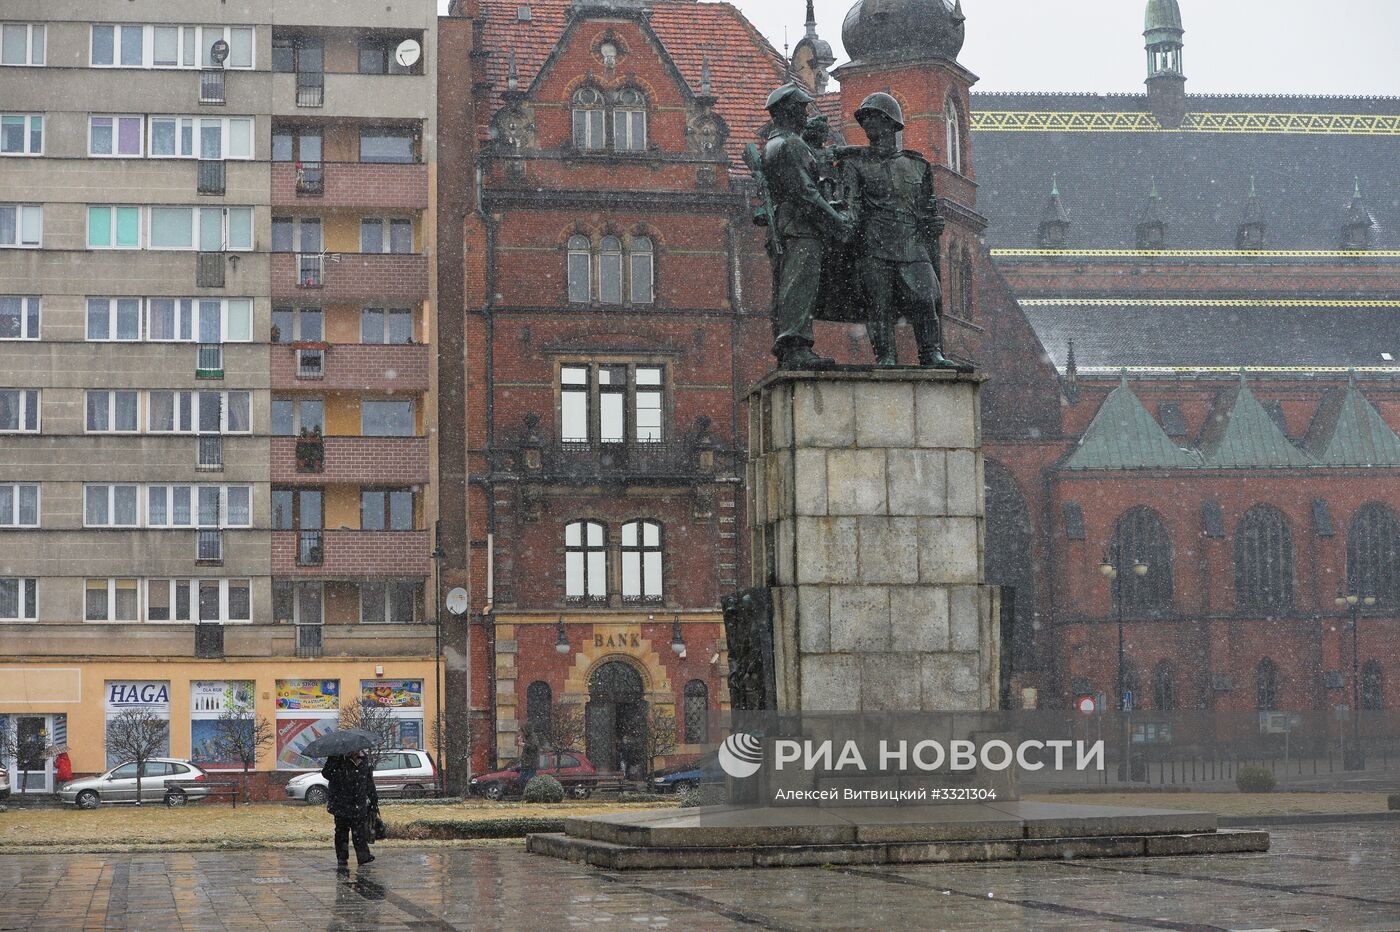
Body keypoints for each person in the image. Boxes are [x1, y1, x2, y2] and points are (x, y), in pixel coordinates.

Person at [839, 92, 965, 370]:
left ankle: (931, 352)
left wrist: (934, 225)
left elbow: (926, 211)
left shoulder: (917, 166)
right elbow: (851, 205)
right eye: (865, 118)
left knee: (926, 297)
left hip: (911, 242)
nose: (867, 124)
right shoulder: (855, 164)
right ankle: (885, 357)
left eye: (873, 117)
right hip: (873, 244)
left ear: (890, 123)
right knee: (879, 305)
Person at [760, 83, 853, 369]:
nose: (805, 113)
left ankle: (790, 344)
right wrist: (835, 218)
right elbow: (806, 192)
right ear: (788, 110)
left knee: (788, 286)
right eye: (801, 107)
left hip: (789, 225)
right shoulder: (790, 144)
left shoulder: (773, 144)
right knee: (799, 286)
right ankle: (795, 344)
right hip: (800, 227)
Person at [322, 750, 379, 867]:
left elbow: (368, 781)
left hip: (358, 802)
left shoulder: (364, 758)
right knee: (341, 832)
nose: (356, 751)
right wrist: (339, 767)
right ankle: (342, 858)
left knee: (359, 832)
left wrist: (374, 800)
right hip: (341, 802)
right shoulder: (336, 757)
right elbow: (326, 773)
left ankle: (363, 857)